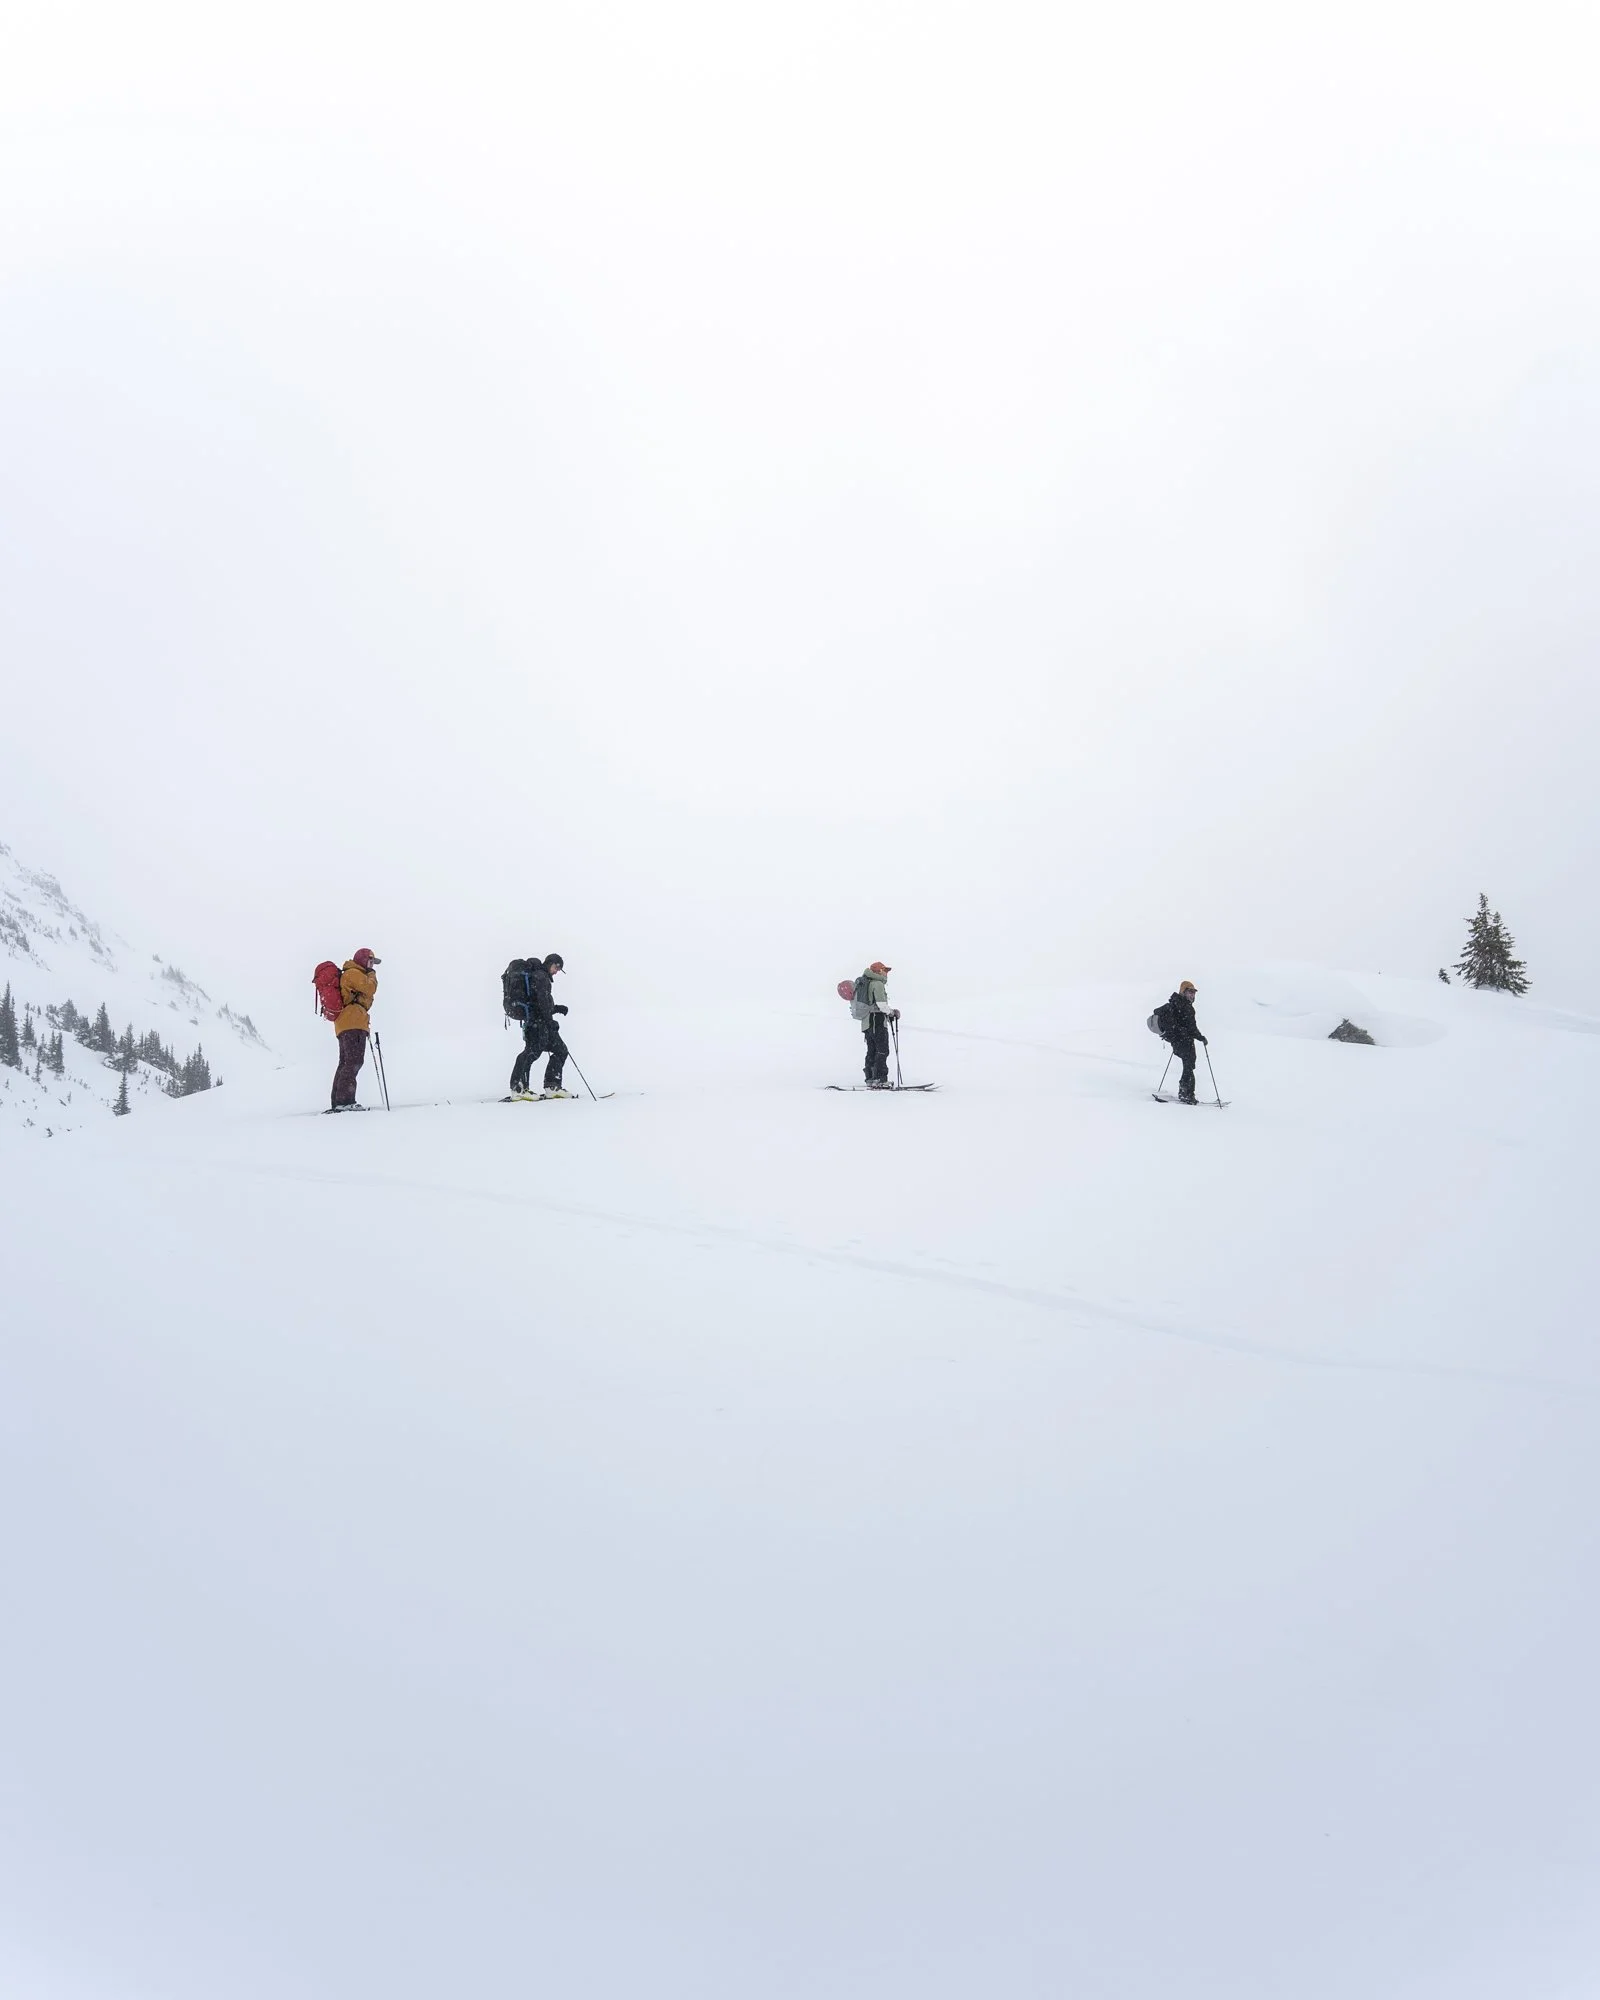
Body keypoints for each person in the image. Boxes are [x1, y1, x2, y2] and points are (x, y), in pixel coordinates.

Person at [509, 952, 571, 1098]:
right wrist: (550, 1021)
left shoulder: (540, 976)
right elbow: (541, 1003)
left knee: (560, 1050)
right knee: (532, 1052)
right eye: (557, 967)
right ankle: (519, 1089)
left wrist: (556, 1009)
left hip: (538, 1022)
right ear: (550, 963)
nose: (556, 971)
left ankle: (552, 1086)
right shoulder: (541, 976)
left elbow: (541, 1003)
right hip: (537, 1024)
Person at [330, 948, 380, 1110]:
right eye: (370, 961)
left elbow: (366, 1000)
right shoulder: (353, 973)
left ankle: (339, 1102)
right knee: (354, 1062)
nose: (372, 965)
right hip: (353, 1023)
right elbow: (370, 988)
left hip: (348, 1023)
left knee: (346, 1062)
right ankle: (345, 1102)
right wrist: (371, 974)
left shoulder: (352, 973)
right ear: (362, 960)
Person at [854, 961, 899, 1088]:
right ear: (879, 971)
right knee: (882, 1050)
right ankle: (880, 1079)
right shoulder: (877, 984)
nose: (886, 973)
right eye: (885, 970)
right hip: (877, 1020)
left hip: (866, 1022)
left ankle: (870, 1078)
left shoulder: (866, 983)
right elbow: (881, 1005)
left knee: (872, 1050)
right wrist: (892, 1012)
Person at [1164, 978, 1207, 1104]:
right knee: (1188, 1066)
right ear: (1183, 992)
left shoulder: (1176, 1003)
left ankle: (1185, 1092)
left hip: (1178, 1040)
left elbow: (1185, 1026)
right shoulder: (1186, 1007)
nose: (1192, 995)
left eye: (1193, 992)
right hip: (1183, 1040)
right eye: (1190, 992)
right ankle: (1186, 1094)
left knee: (1188, 1066)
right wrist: (1201, 1038)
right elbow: (1191, 1027)